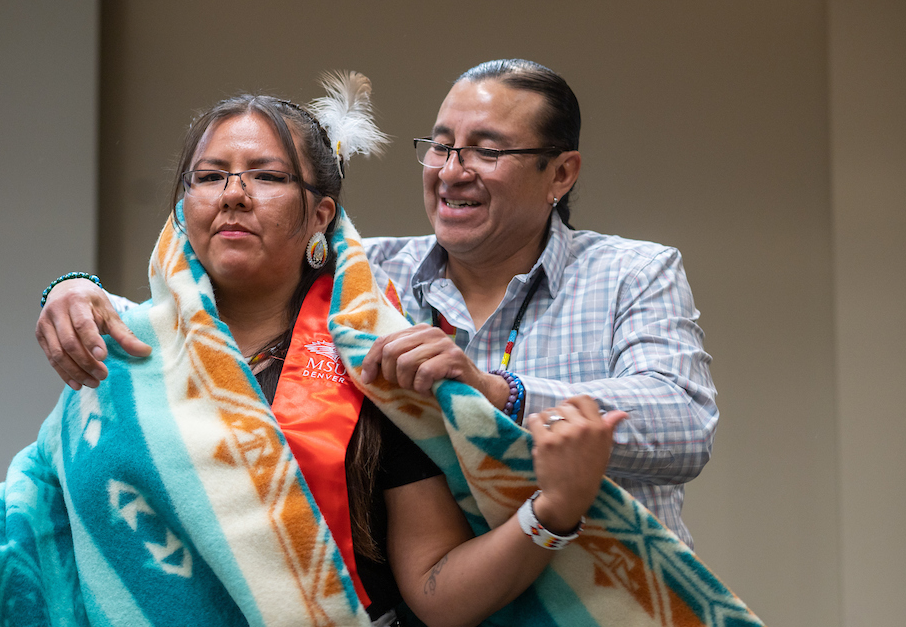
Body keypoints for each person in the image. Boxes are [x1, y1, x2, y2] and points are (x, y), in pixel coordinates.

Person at [0, 75, 625, 627]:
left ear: (321, 214)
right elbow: (32, 539)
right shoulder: (126, 350)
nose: (232, 193)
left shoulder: (379, 363)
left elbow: (437, 596)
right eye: (209, 176)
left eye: (264, 175)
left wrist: (553, 510)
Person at [36, 59, 716, 548]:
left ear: (560, 173)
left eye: (487, 150)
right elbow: (219, 303)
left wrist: (499, 392)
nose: (452, 171)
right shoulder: (368, 272)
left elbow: (684, 426)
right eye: (440, 147)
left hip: (610, 623)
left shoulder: (634, 272)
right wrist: (74, 288)